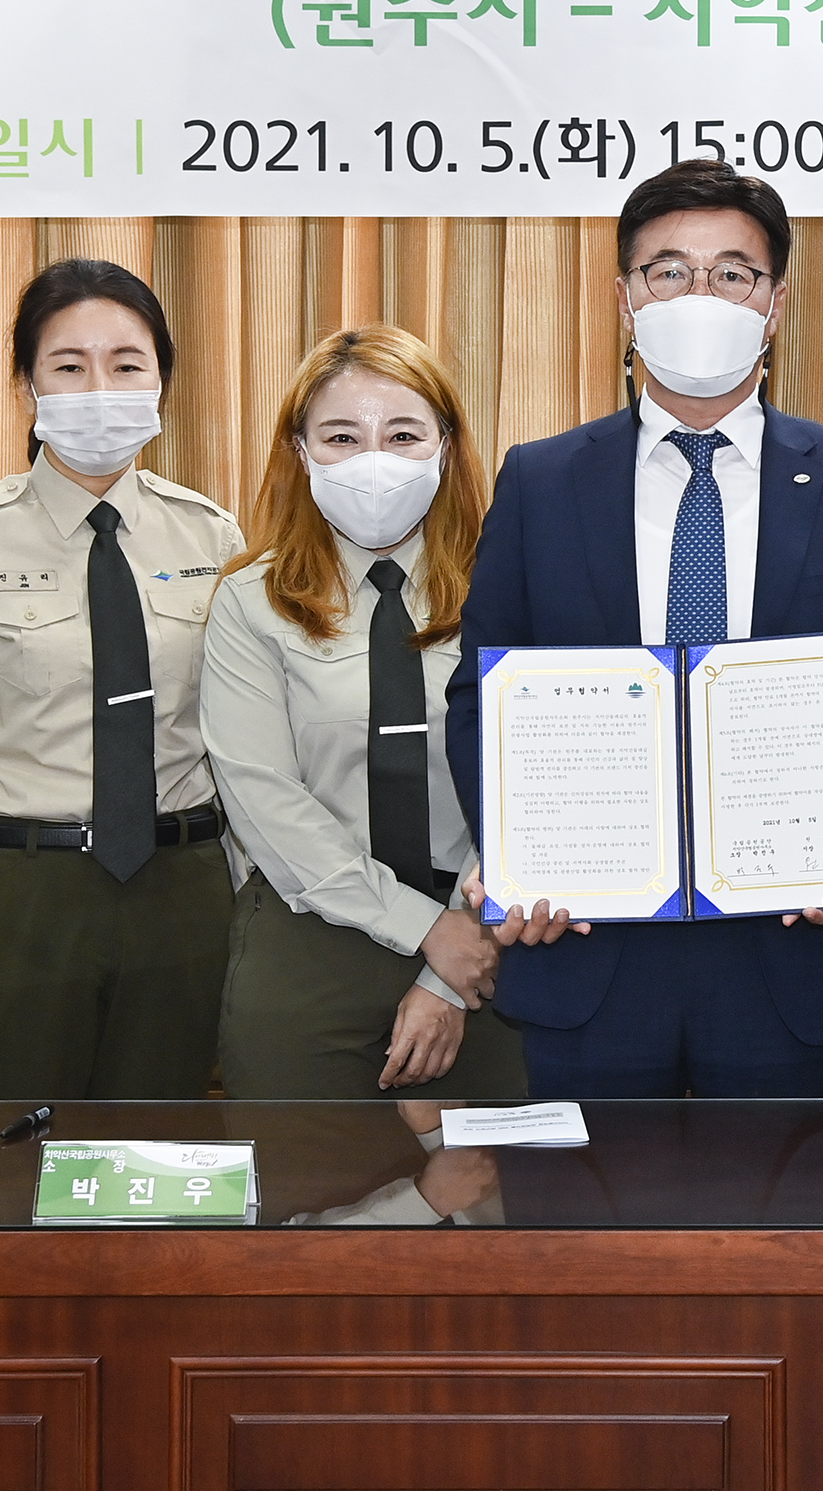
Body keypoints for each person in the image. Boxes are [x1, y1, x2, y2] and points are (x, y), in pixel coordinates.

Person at [447, 160, 823, 1098]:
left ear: (775, 304)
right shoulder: (541, 481)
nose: (699, 295)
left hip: (792, 944)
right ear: (625, 298)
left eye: (731, 273)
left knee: (787, 1200)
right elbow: (482, 695)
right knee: (584, 1200)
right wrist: (512, 852)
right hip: (583, 944)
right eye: (669, 271)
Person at [0, 258, 243, 1100]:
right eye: (70, 366)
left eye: (127, 365)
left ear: (162, 383)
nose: (99, 390)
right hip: (26, 897)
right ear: (28, 385)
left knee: (164, 1156)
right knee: (15, 1161)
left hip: (184, 889)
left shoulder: (213, 538)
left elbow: (243, 751)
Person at [199, 325, 522, 1100]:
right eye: (341, 437)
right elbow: (263, 798)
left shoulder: (511, 585)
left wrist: (452, 959)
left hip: (487, 935)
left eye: (403, 434)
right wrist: (422, 929)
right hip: (315, 930)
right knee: (308, 1170)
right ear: (300, 451)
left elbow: (534, 779)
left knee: (497, 1174)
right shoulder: (251, 600)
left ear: (446, 447)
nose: (374, 460)